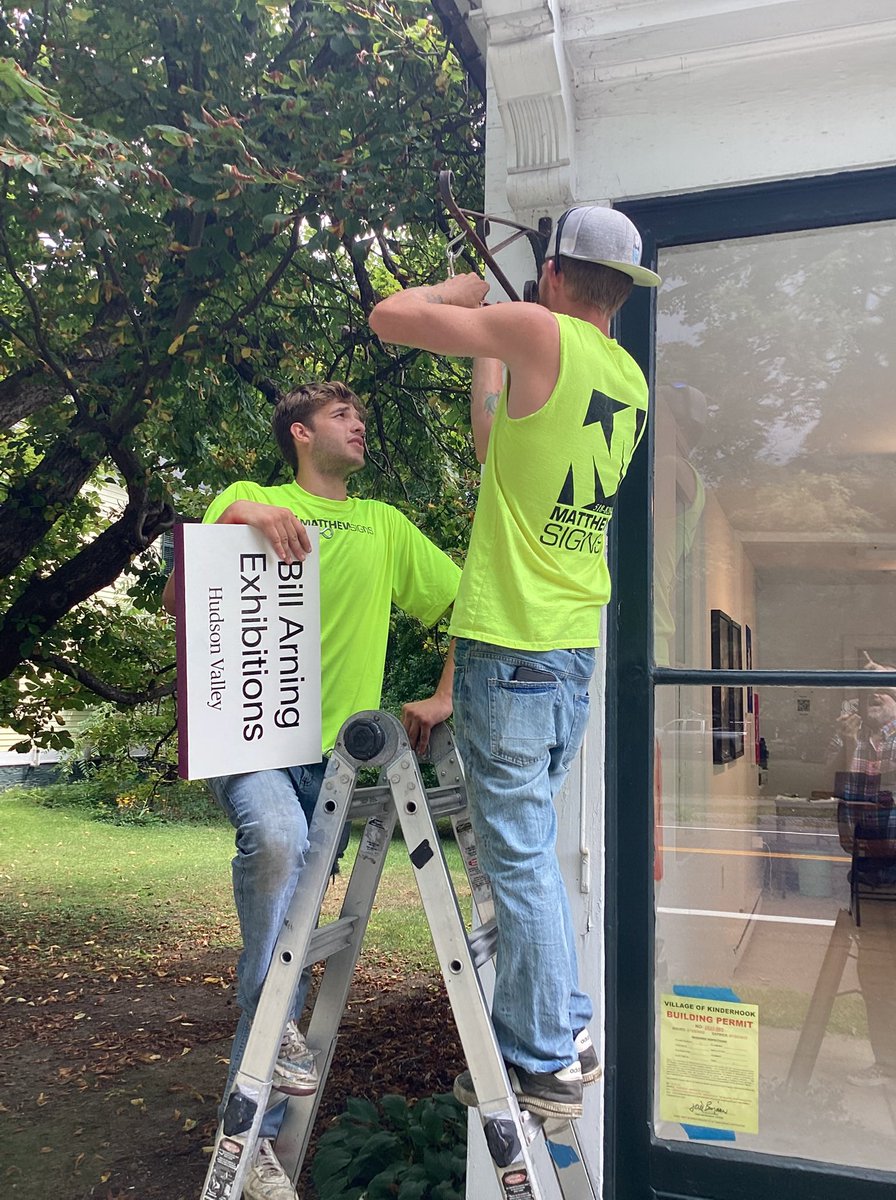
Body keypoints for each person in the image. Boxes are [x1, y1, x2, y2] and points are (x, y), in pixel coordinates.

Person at [368, 206, 660, 1118]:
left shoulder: (539, 330)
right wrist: (488, 341)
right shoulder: (627, 379)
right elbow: (499, 441)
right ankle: (565, 1022)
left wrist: (462, 296)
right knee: (524, 859)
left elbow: (390, 315)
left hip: (514, 650)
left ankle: (540, 1060)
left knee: (520, 864)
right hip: (569, 657)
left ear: (559, 279)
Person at [163, 381, 460, 1200]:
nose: (360, 423)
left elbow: (474, 605)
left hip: (331, 763)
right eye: (341, 415)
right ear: (300, 433)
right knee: (279, 845)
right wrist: (239, 523)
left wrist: (444, 695)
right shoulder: (249, 497)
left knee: (292, 933)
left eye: (361, 413)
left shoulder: (385, 526)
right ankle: (271, 1025)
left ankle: (249, 1145)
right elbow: (180, 597)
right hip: (253, 739)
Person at [828, 660, 896, 1087]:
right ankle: (887, 1063)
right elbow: (844, 797)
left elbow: (885, 798)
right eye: (867, 693)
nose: (874, 700)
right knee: (874, 975)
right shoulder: (856, 742)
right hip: (868, 871)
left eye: (884, 692)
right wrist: (848, 742)